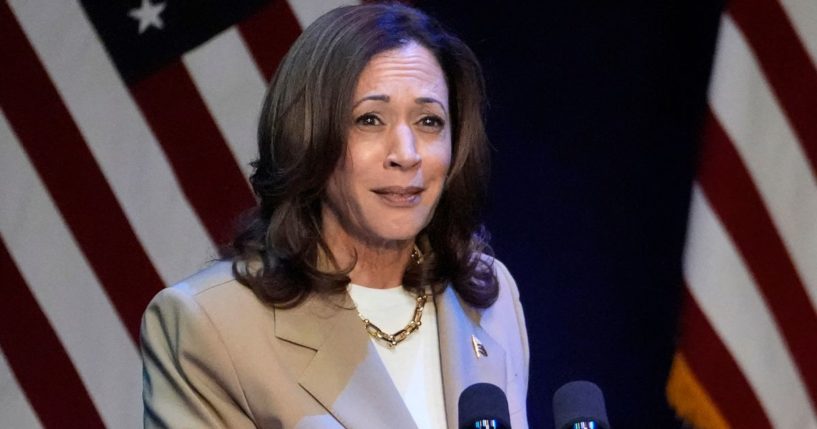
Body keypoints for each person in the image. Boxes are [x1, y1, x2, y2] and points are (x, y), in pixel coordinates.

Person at [140, 3, 529, 428]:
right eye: (369, 120)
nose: (406, 153)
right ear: (308, 137)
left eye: (429, 121)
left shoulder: (489, 294)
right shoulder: (210, 325)